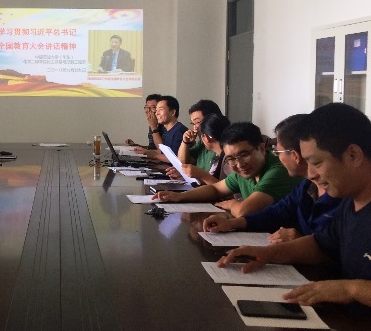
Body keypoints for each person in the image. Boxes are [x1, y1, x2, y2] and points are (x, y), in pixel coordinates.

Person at [217, 103, 371, 308]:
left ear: (353, 155)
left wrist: (351, 289)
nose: (311, 174)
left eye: (317, 163)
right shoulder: (350, 204)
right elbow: (320, 245)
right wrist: (266, 253)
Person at [203, 114, 341, 241]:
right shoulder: (306, 186)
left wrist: (302, 240)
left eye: (278, 151)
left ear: (295, 155)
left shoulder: (340, 193)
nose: (277, 157)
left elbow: (338, 247)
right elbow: (277, 212)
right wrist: (232, 223)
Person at [154, 122, 298, 217]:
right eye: (231, 158)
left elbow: (243, 211)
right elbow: (215, 189)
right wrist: (179, 196)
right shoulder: (244, 171)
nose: (239, 164)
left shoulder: (278, 170)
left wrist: (231, 204)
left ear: (261, 149)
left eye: (244, 155)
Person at [169, 113, 231, 185]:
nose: (195, 128)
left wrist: (200, 174)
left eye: (198, 122)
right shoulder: (219, 155)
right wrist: (184, 176)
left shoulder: (229, 160)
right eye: (193, 124)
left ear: (206, 138)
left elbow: (225, 188)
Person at [136, 95, 188, 163]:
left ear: (173, 112)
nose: (156, 113)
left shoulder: (178, 130)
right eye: (156, 110)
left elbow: (177, 159)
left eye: (160, 109)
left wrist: (155, 155)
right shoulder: (170, 130)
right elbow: (164, 152)